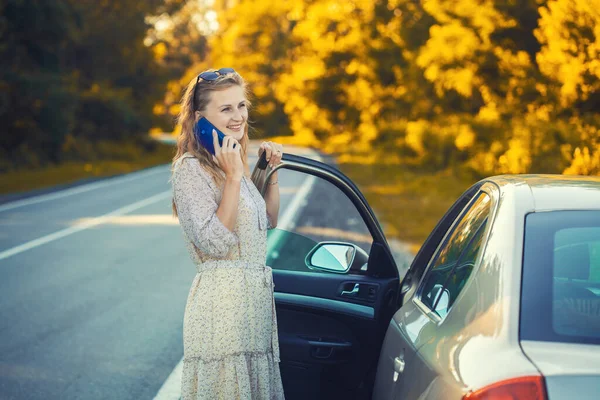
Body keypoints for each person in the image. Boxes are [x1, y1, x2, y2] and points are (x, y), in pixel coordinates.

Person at [170, 68, 285, 399]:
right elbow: (217, 242)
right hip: (222, 314)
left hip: (254, 310)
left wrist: (268, 170)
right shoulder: (191, 169)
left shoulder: (233, 162)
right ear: (199, 117)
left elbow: (269, 219)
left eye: (241, 106)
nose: (238, 117)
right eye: (226, 109)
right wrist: (235, 178)